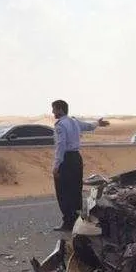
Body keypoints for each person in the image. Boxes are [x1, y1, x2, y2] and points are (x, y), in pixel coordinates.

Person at [51, 99, 109, 231]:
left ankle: (68, 222)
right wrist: (97, 123)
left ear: (60, 109)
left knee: (64, 192)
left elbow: (61, 145)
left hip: (66, 160)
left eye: (54, 109)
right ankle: (77, 220)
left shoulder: (60, 125)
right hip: (77, 159)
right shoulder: (74, 121)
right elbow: (87, 126)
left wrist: (56, 165)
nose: (52, 112)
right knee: (76, 190)